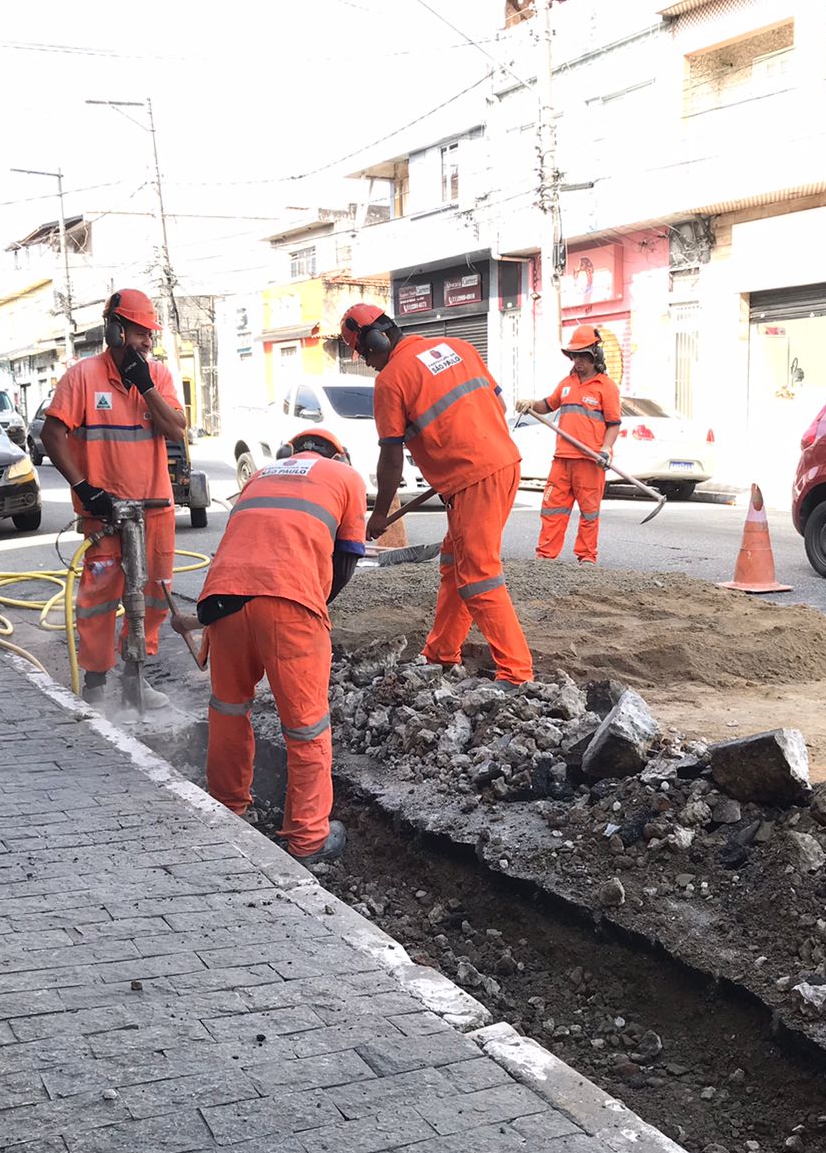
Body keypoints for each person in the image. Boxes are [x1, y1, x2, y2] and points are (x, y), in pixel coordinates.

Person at [181, 427, 365, 863]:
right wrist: (314, 602)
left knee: (228, 708)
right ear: (337, 455)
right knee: (306, 727)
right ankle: (308, 839)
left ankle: (228, 810)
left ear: (292, 452)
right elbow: (347, 557)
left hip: (221, 600)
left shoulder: (260, 475)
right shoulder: (346, 478)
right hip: (289, 605)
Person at [345, 302, 534, 688]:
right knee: (453, 563)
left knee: (478, 576)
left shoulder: (392, 379)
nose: (369, 365)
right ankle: (441, 653)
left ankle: (516, 674)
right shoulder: (457, 347)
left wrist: (379, 515)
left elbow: (391, 456)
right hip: (502, 464)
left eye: (365, 356)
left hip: (474, 480)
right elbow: (494, 404)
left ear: (375, 341)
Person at [41, 289, 188, 707]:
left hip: (154, 508)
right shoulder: (82, 377)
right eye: (141, 333)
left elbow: (177, 429)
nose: (147, 342)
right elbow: (53, 435)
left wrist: (146, 387)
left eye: (150, 335)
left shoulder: (157, 377)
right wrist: (84, 487)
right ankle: (97, 682)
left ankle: (134, 675)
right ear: (116, 330)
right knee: (100, 597)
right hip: (104, 510)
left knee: (155, 594)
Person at [516, 325, 621, 564]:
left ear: (596, 356)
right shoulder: (566, 383)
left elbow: (613, 424)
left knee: (589, 512)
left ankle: (586, 558)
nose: (578, 361)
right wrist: (530, 404)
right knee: (552, 508)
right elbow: (548, 405)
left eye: (583, 355)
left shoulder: (606, 387)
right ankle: (545, 557)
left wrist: (605, 450)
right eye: (575, 355)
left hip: (590, 460)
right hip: (562, 459)